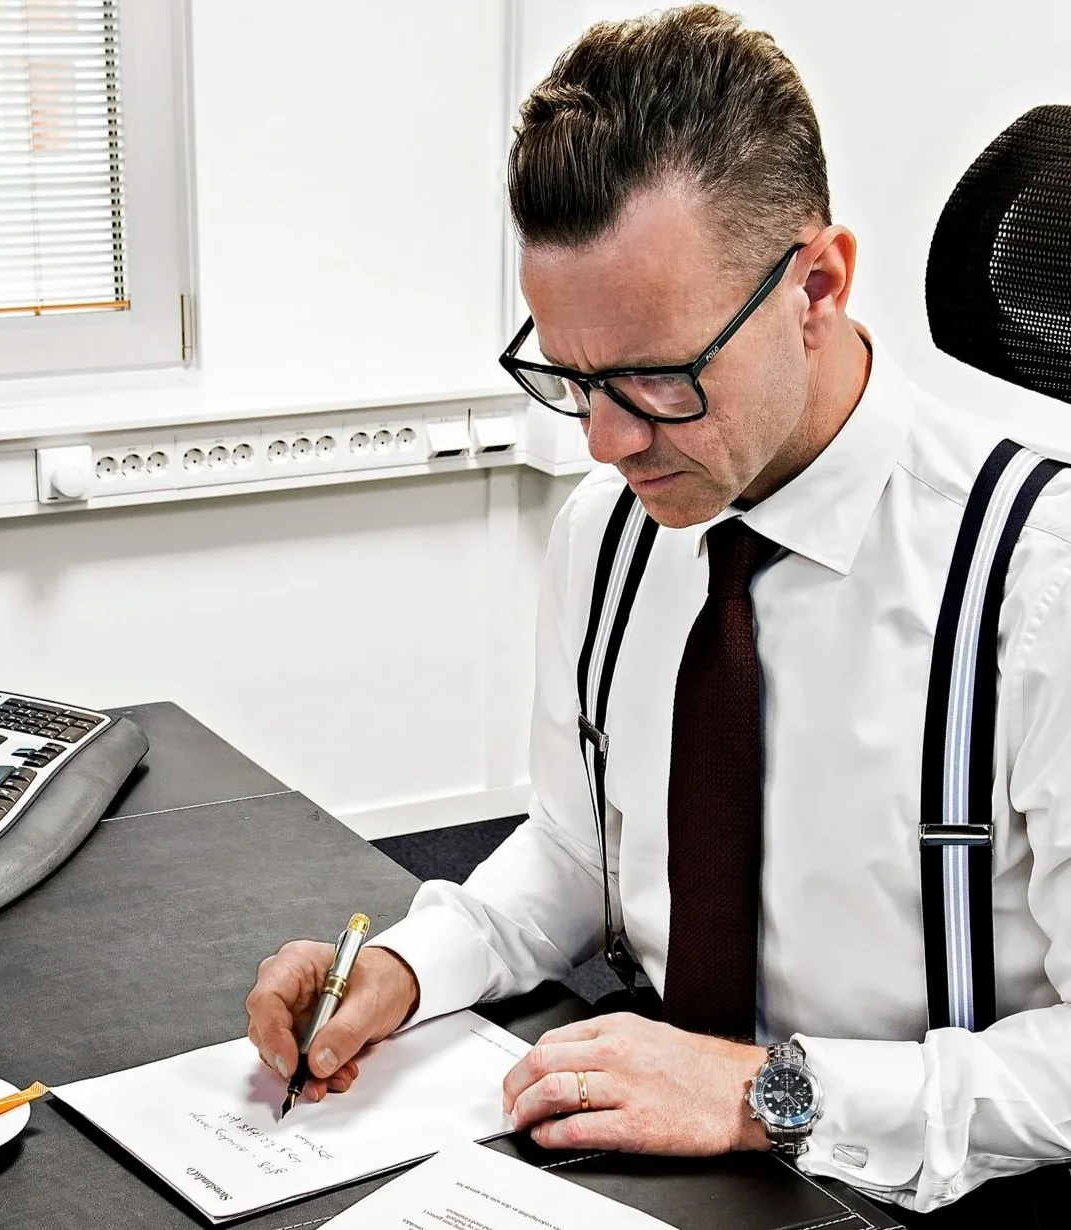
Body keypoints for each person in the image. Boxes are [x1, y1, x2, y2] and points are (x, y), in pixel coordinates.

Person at [241, 7, 1071, 1225]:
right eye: (570, 376)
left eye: (655, 377)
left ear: (816, 285)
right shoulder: (612, 529)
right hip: (665, 1163)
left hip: (920, 1190)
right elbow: (581, 851)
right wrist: (409, 967)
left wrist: (765, 1094)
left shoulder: (1038, 582)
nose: (603, 440)